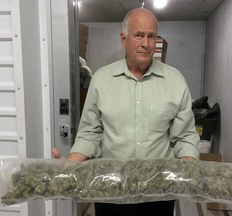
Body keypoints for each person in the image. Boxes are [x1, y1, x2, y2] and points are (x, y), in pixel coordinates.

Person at [52, 7, 200, 216]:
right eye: (139, 35)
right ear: (124, 39)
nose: (146, 44)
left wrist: (188, 168)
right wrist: (71, 163)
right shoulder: (101, 80)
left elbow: (185, 136)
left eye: (151, 36)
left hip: (158, 193)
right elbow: (90, 133)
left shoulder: (175, 81)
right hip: (110, 192)